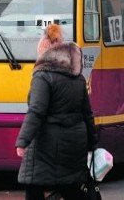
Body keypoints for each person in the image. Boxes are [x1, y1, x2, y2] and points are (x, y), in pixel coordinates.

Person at [15, 24, 98, 199]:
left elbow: (36, 110)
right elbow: (87, 113)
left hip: (48, 143)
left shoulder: (43, 76)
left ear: (44, 48)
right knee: (70, 186)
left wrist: (23, 140)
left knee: (33, 183)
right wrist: (92, 142)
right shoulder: (78, 77)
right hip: (75, 141)